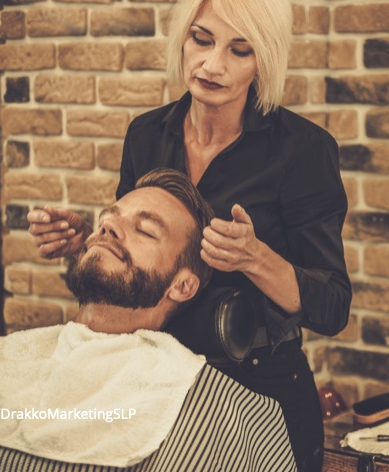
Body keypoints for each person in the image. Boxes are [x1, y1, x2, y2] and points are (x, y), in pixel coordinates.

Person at [27, 0, 350, 469]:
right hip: (153, 380)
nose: (212, 65)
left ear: (263, 60)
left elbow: (333, 305)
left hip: (255, 393)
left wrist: (254, 258)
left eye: (240, 50)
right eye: (202, 39)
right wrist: (88, 245)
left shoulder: (302, 151)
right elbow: (137, 272)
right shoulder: (145, 135)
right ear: (182, 38)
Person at [0, 169, 296, 471]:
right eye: (106, 221)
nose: (108, 228)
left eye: (145, 230)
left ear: (183, 286)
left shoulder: (219, 411)